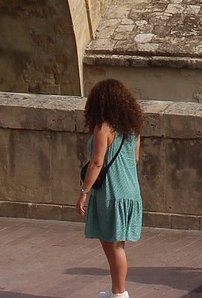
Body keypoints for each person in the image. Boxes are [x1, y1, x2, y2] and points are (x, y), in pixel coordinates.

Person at [79, 77, 144, 298]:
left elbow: (97, 162)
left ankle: (119, 293)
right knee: (117, 245)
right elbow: (135, 159)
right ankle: (117, 290)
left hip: (111, 192)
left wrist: (83, 192)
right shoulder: (133, 128)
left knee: (113, 247)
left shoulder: (103, 128)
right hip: (130, 191)